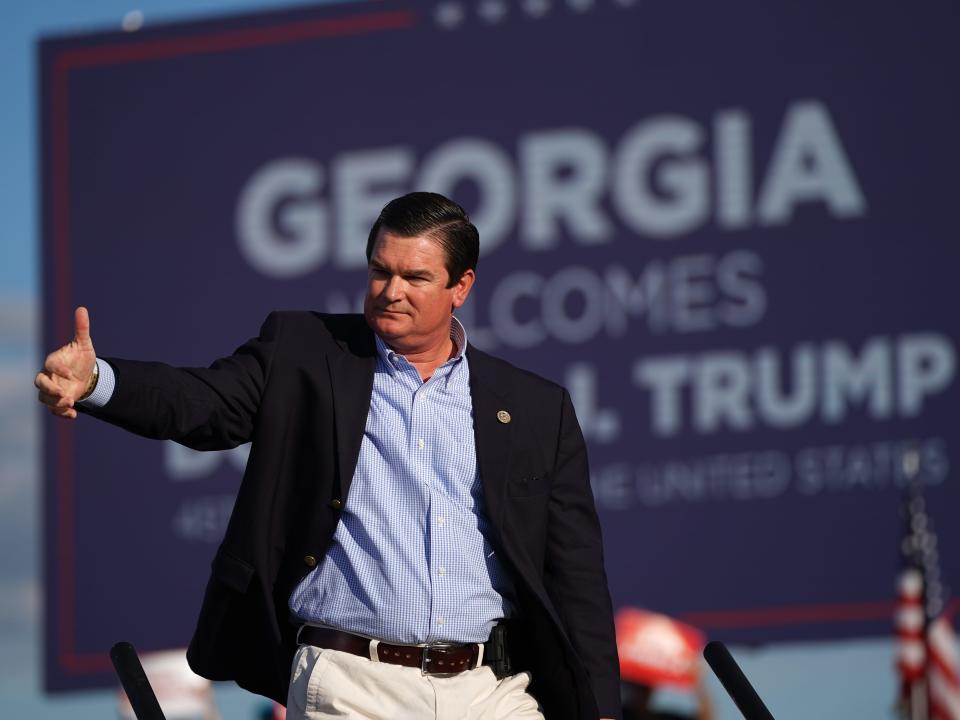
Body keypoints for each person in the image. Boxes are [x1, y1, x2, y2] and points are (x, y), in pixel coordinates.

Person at [36, 192, 621, 720]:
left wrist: (600, 709)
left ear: (460, 287)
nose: (391, 291)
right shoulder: (303, 353)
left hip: (490, 688)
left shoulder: (535, 406)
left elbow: (575, 574)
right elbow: (204, 404)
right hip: (350, 685)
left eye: (415, 277)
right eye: (379, 271)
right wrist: (99, 383)